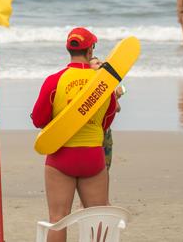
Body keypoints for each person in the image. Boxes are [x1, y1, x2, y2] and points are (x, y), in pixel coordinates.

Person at [31, 28, 118, 242]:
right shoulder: (103, 84)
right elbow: (106, 121)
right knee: (97, 220)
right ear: (90, 50)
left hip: (61, 156)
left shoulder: (55, 80)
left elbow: (39, 120)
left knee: (58, 219)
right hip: (92, 157)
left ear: (69, 50)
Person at [89, 55, 124, 170]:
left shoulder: (106, 85)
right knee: (96, 169)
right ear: (89, 68)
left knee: (105, 168)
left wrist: (116, 96)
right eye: (97, 63)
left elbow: (117, 108)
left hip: (105, 132)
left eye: (101, 62)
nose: (101, 64)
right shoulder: (90, 86)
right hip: (94, 132)